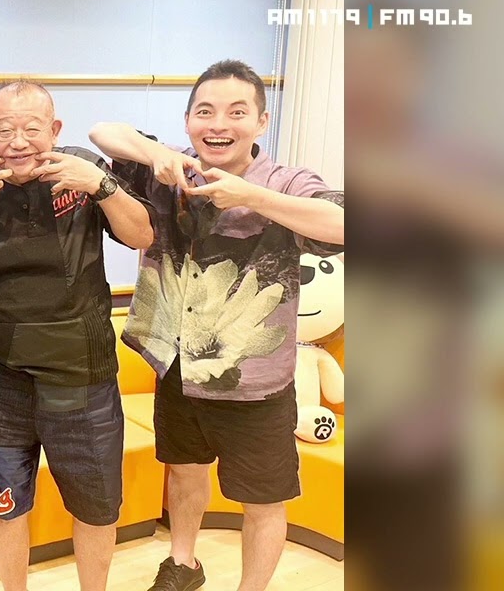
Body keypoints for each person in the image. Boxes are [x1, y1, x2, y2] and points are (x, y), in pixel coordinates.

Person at [88, 59, 345, 591]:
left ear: (261, 121)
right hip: (177, 366)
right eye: (204, 112)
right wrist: (156, 154)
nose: (218, 124)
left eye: (236, 112)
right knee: (185, 472)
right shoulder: (170, 169)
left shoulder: (286, 182)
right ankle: (183, 564)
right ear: (187, 121)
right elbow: (102, 131)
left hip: (255, 383)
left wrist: (252, 197)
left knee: (263, 500)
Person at [0, 80, 154, 591]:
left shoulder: (83, 171)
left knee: (96, 508)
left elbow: (141, 233)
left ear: (55, 129)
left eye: (32, 128)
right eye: (5, 130)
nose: (19, 142)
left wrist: (102, 185)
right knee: (4, 505)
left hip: (82, 377)